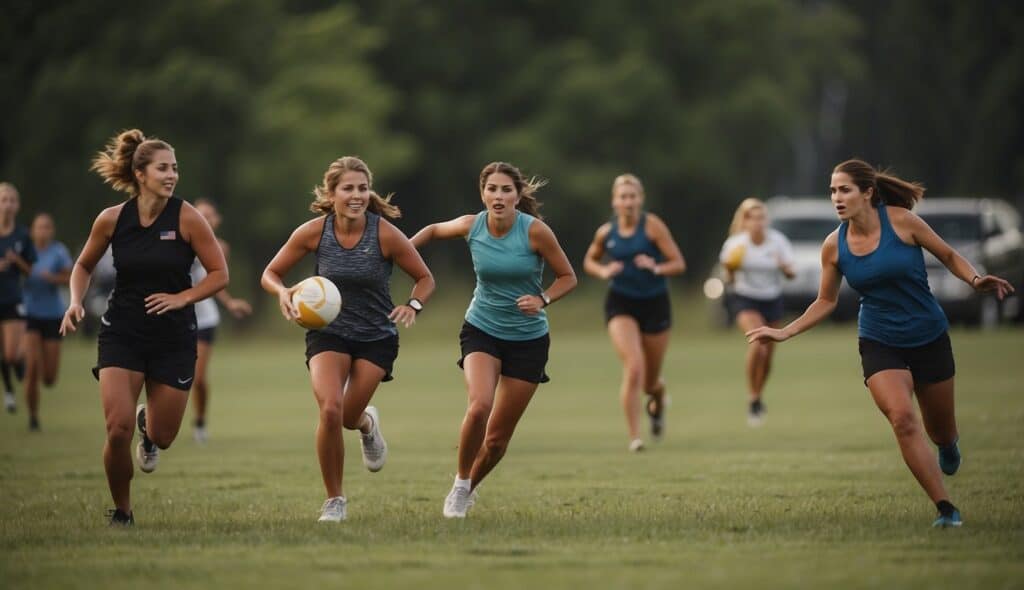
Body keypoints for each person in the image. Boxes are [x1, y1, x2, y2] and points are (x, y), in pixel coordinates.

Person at [747, 159, 1015, 528]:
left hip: (928, 335)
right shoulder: (833, 246)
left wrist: (975, 279)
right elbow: (825, 301)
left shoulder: (902, 222)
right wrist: (784, 332)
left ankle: (948, 445)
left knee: (941, 431)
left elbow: (949, 255)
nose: (836, 198)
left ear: (867, 193)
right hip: (878, 339)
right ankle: (946, 509)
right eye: (832, 191)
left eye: (844, 190)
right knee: (903, 419)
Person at [61, 129, 229, 526]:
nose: (171, 175)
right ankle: (122, 510)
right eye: (163, 168)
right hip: (122, 332)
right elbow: (83, 266)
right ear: (140, 173)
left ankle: (148, 428)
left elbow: (219, 274)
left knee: (164, 437)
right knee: (116, 428)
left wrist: (183, 298)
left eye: (175, 168)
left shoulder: (189, 217)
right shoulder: (111, 219)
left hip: (174, 337)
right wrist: (74, 301)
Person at [261, 156, 434, 523]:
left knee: (350, 415)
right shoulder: (313, 232)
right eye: (348, 189)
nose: (356, 196)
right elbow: (271, 273)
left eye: (361, 188)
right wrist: (282, 293)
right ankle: (335, 500)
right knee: (330, 410)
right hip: (328, 333)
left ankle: (368, 425)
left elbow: (425, 278)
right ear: (332, 193)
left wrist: (413, 305)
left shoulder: (384, 232)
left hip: (376, 336)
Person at [411, 161, 577, 518]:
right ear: (482, 193)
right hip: (481, 328)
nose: (498, 196)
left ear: (517, 196)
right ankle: (459, 485)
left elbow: (567, 277)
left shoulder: (535, 232)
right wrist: (396, 251)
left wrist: (543, 299)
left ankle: (472, 485)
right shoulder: (473, 225)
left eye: (506, 190)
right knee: (479, 406)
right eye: (492, 189)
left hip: (529, 339)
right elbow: (431, 230)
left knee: (498, 441)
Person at [582, 174, 685, 452]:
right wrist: (604, 270)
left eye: (633, 196)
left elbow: (678, 263)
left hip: (655, 303)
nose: (628, 202)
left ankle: (659, 400)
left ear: (640, 199)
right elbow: (589, 261)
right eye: (623, 197)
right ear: (615, 202)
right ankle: (635, 437)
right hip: (621, 303)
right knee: (634, 366)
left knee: (650, 382)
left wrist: (656, 267)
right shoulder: (607, 233)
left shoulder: (652, 227)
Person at [719, 198, 795, 426]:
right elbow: (728, 279)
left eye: (762, 217)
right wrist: (732, 268)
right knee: (757, 344)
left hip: (772, 299)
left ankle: (757, 395)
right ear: (745, 221)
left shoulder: (778, 241)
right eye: (753, 218)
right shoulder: (736, 244)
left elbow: (792, 274)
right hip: (745, 298)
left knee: (768, 355)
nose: (758, 222)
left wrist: (782, 266)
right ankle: (752, 395)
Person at [189, 198, 253, 443]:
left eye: (209, 215)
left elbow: (214, 281)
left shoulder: (220, 247)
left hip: (204, 318)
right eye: (199, 214)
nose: (204, 219)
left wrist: (229, 302)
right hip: (174, 315)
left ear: (215, 221)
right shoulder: (179, 239)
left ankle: (200, 422)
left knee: (198, 377)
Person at [23, 213, 73, 431]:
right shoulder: (24, 250)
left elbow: (70, 277)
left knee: (49, 378)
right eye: (39, 227)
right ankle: (33, 417)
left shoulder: (58, 251)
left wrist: (52, 279)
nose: (43, 231)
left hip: (53, 315)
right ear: (33, 230)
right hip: (29, 315)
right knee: (32, 368)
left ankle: (40, 367)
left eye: (47, 227)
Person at [0, 182, 35, 413]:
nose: (8, 204)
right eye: (4, 200)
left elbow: (30, 270)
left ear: (18, 205)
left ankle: (20, 366)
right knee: (2, 352)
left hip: (13, 298)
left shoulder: (23, 234)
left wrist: (16, 260)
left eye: (12, 200)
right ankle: (10, 393)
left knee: (12, 353)